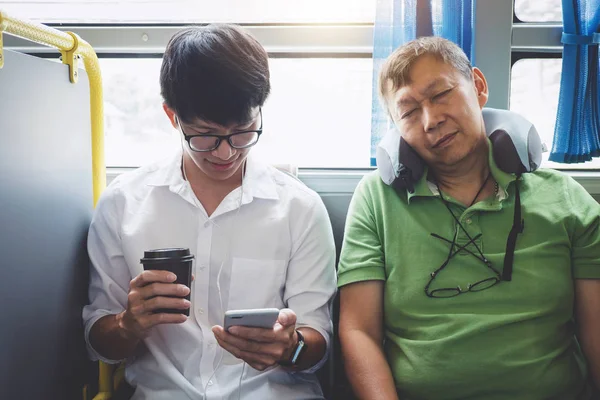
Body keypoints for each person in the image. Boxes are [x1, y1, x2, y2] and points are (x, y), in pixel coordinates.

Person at [337, 36, 600, 400]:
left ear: (477, 86)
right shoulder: (376, 198)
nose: (431, 120)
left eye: (440, 94)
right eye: (409, 112)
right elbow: (358, 332)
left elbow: (596, 332)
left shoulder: (564, 197)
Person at [82, 24, 336, 400]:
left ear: (259, 113)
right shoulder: (124, 203)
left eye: (243, 132)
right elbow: (100, 343)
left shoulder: (299, 207)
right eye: (205, 135)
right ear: (173, 117)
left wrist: (291, 346)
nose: (225, 153)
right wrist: (128, 324)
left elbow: (318, 346)